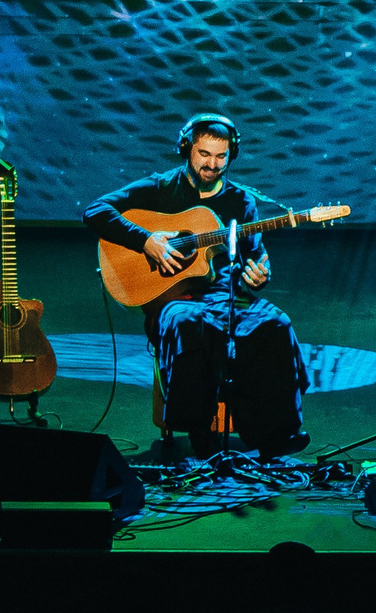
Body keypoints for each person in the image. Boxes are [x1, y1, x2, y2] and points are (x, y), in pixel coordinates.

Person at [83, 113, 310, 457]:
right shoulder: (160, 188)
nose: (212, 165)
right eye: (204, 154)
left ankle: (277, 436)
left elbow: (255, 258)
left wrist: (259, 276)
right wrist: (146, 241)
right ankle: (199, 433)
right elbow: (95, 211)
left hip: (224, 294)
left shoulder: (241, 202)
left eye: (221, 157)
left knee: (276, 324)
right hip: (174, 298)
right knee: (187, 324)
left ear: (231, 155)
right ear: (186, 148)